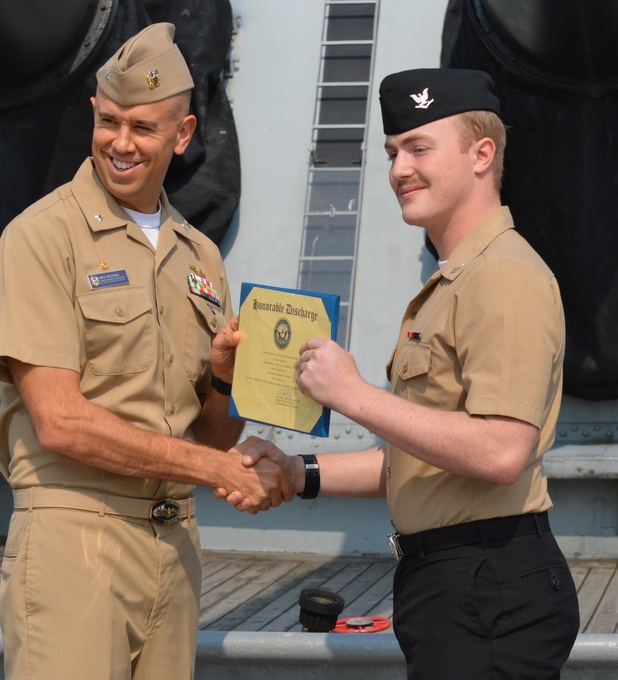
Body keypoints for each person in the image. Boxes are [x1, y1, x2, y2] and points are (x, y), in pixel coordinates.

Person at [221, 68, 580, 678]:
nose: (398, 170)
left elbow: (500, 452)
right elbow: (420, 460)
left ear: (481, 155)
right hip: (453, 585)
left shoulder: (504, 278)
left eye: (419, 149)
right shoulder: (456, 281)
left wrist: (354, 396)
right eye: (392, 152)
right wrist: (298, 472)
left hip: (485, 585)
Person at [0, 23, 293, 680]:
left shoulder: (201, 257)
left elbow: (213, 434)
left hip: (173, 545)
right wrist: (220, 472)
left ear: (182, 135)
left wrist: (224, 382)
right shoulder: (41, 239)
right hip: (75, 538)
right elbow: (60, 421)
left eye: (143, 128)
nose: (120, 144)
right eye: (109, 122)